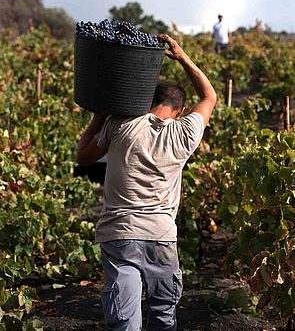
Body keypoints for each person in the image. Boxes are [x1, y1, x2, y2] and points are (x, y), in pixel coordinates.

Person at [76, 34, 217, 331]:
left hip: (120, 234)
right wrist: (182, 56)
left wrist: (98, 117)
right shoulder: (185, 132)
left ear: (148, 100)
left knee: (125, 320)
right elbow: (209, 97)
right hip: (161, 236)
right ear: (179, 112)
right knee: (164, 317)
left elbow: (84, 157)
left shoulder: (120, 123)